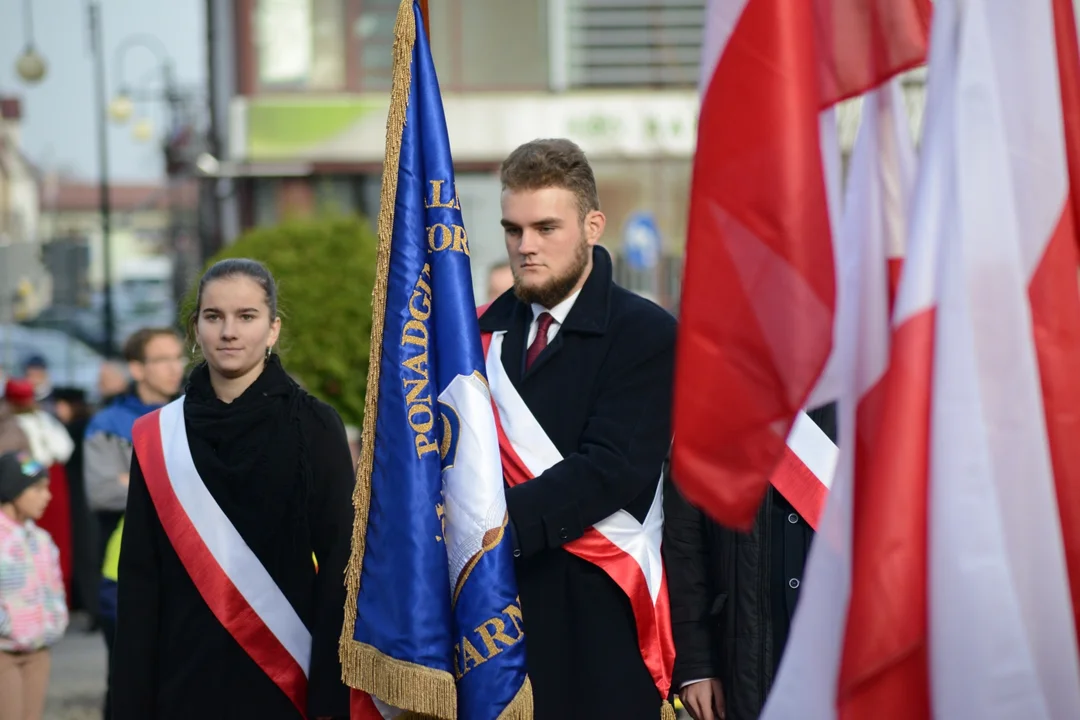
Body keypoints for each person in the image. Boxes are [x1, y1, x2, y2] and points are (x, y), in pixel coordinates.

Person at [478, 138, 676, 719]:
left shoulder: (646, 333)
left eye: (545, 227)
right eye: (513, 230)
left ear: (593, 225)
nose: (525, 247)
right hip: (492, 616)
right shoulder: (477, 336)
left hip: (599, 620)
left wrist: (483, 533)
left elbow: (611, 467)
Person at [111, 258, 356, 720]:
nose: (229, 331)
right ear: (195, 328)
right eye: (213, 316)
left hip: (288, 679)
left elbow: (342, 568)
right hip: (181, 681)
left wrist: (331, 695)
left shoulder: (315, 426)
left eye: (246, 317)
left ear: (273, 329)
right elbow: (141, 580)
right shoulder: (158, 434)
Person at [664, 405, 838, 720]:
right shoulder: (718, 398)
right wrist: (696, 665)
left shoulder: (871, 386)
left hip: (844, 650)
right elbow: (685, 545)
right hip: (742, 655)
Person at [83, 327, 185, 719]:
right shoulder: (109, 423)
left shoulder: (195, 413)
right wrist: (166, 478)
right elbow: (102, 491)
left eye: (178, 357)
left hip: (187, 569)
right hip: (123, 572)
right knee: (128, 683)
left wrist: (135, 478)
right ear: (136, 368)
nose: (174, 368)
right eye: (161, 360)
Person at [0, 450, 69, 720]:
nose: (47, 496)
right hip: (4, 651)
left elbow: (54, 587)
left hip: (39, 649)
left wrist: (55, 622)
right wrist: (9, 628)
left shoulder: (41, 539)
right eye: (37, 489)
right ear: (13, 491)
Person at [4, 379, 75, 605]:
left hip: (48, 481)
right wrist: (33, 473)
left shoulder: (43, 419)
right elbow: (16, 461)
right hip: (27, 486)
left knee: (51, 540)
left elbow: (63, 448)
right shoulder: (8, 423)